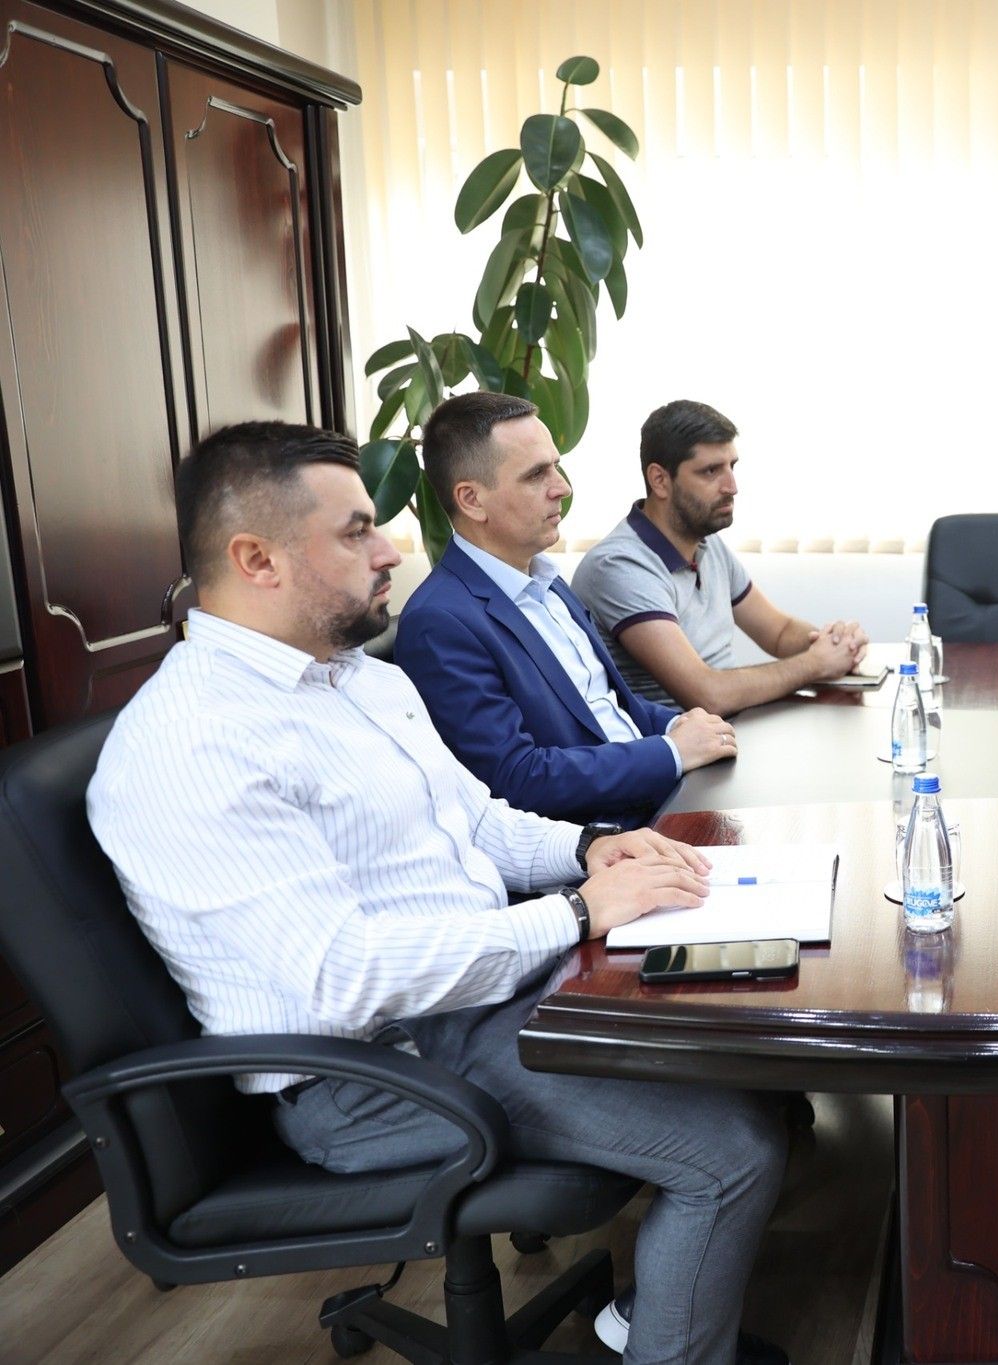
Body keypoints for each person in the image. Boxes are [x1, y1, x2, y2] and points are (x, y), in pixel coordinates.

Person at [88, 421, 791, 1365]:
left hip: (476, 998)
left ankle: (668, 1312)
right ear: (256, 558)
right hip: (377, 1072)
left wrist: (596, 849)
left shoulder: (352, 679)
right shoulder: (194, 742)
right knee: (733, 1152)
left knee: (742, 1023)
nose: (390, 551)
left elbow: (479, 820)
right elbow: (350, 978)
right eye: (357, 531)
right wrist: (579, 912)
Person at [395, 392, 735, 825]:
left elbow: (610, 707)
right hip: (606, 840)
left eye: (556, 467)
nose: (562, 488)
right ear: (472, 500)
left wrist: (684, 727)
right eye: (537, 474)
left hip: (663, 799)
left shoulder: (548, 581)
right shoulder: (439, 621)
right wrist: (671, 752)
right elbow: (515, 779)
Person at [574, 400, 867, 714]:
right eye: (711, 471)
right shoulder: (619, 567)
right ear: (660, 480)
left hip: (730, 727)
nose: (732, 487)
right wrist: (816, 664)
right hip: (681, 740)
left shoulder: (706, 543)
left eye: (732, 466)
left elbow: (779, 633)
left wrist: (835, 645)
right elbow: (708, 695)